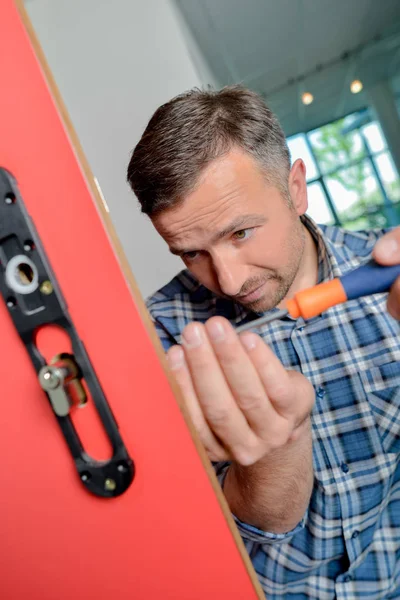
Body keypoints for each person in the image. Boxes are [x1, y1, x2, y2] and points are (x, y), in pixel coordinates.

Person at [127, 85, 400, 599]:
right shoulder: (157, 334)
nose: (228, 281)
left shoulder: (387, 278)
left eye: (241, 233)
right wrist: (275, 450)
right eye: (190, 253)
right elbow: (205, 534)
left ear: (296, 187)